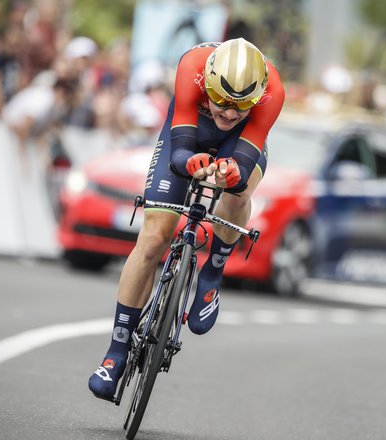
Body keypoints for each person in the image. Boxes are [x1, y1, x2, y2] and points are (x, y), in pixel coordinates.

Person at [88, 38, 285, 401]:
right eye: (221, 102)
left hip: (239, 145)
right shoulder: (192, 66)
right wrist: (189, 161)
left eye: (240, 107)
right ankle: (115, 353)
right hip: (189, 130)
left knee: (238, 192)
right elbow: (179, 150)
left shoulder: (273, 91)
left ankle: (212, 272)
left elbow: (243, 165)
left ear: (256, 99)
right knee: (152, 239)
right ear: (208, 83)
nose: (228, 114)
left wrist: (230, 173)